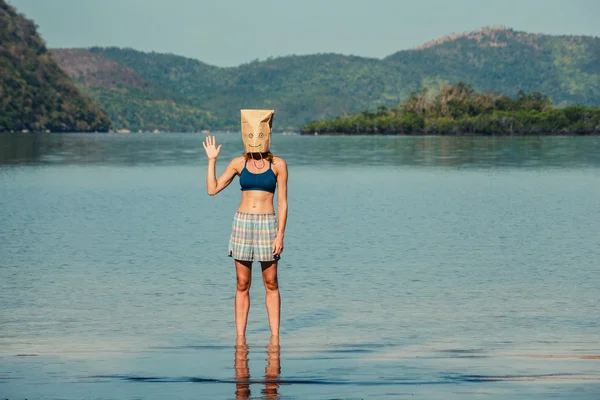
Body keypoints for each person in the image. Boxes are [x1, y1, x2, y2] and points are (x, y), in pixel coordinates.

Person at [203, 109, 288, 338]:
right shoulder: (238, 163)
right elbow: (212, 189)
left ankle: (275, 338)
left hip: (267, 225)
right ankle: (240, 338)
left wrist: (280, 234)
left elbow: (283, 202)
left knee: (271, 282)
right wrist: (212, 161)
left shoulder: (278, 164)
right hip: (242, 224)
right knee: (242, 283)